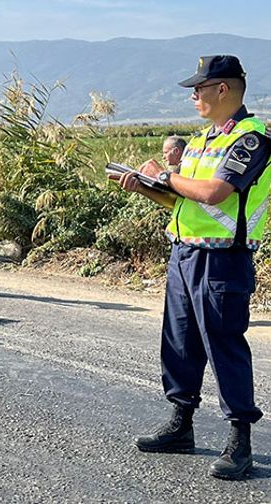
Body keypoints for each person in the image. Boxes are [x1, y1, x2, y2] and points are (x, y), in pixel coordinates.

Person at [118, 55, 270, 480]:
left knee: (224, 346)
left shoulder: (252, 139)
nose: (193, 96)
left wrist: (167, 176)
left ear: (223, 89)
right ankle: (180, 423)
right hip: (184, 253)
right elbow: (183, 198)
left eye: (200, 88)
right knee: (180, 342)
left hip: (224, 259)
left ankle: (240, 440)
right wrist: (147, 185)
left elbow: (215, 192)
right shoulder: (203, 140)